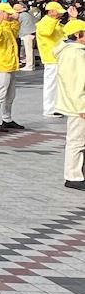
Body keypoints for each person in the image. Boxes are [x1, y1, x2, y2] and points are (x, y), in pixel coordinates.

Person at [55, 18, 85, 190]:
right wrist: (82, 106)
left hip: (73, 102)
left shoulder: (68, 51)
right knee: (77, 141)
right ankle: (73, 175)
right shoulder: (76, 54)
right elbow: (78, 82)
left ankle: (77, 173)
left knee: (78, 140)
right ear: (78, 35)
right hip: (78, 105)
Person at [0, 2, 23, 132]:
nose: (10, 15)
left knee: (10, 94)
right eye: (7, 13)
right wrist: (0, 22)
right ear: (0, 13)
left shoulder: (6, 25)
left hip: (9, 63)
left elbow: (15, 33)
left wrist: (14, 21)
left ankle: (7, 118)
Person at [36, 2, 71, 118]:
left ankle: (56, 107)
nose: (59, 15)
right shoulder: (44, 23)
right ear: (51, 11)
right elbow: (47, 32)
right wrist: (55, 21)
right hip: (51, 58)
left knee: (57, 84)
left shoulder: (55, 23)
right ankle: (49, 109)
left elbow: (66, 32)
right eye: (58, 12)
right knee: (51, 84)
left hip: (58, 57)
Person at [18, 2, 37, 71]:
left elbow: (17, 23)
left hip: (27, 34)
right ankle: (32, 64)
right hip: (33, 32)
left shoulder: (21, 16)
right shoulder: (29, 14)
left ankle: (29, 66)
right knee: (31, 50)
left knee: (28, 51)